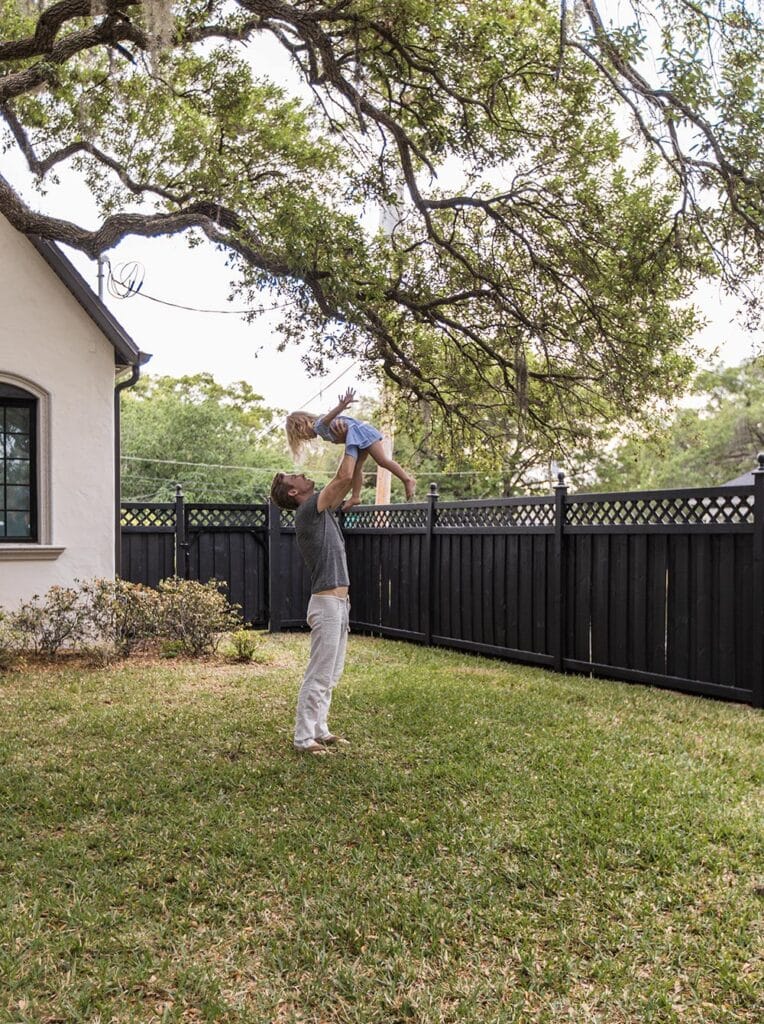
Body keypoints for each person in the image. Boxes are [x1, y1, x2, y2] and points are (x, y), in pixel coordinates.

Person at [269, 453, 356, 756]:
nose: (302, 474)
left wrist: (360, 449)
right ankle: (304, 738)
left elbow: (347, 483)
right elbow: (342, 478)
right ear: (294, 492)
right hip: (326, 603)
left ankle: (320, 729)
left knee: (332, 674)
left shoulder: (321, 509)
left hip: (339, 604)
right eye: (295, 477)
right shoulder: (308, 510)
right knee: (319, 673)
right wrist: (352, 442)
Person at [285, 388, 415, 510]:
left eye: (303, 436)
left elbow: (327, 419)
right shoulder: (320, 427)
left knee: (382, 461)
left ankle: (407, 479)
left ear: (301, 426)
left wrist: (340, 406)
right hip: (354, 438)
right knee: (357, 467)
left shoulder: (318, 425)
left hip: (361, 433)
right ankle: (355, 497)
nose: (307, 438)